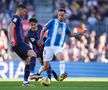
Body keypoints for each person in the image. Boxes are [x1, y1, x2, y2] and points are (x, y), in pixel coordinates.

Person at [37, 8, 86, 81]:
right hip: (48, 46)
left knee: (61, 57)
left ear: (65, 16)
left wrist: (80, 33)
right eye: (59, 15)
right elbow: (43, 29)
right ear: (57, 15)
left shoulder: (65, 26)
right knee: (45, 66)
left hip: (57, 46)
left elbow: (70, 34)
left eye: (62, 15)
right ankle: (38, 73)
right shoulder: (53, 21)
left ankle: (62, 74)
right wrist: (40, 39)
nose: (60, 16)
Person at [8, 4, 41, 87]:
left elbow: (10, 28)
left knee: (28, 62)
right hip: (19, 43)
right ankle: (32, 74)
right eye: (24, 11)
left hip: (17, 44)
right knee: (33, 54)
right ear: (19, 9)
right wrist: (12, 39)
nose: (25, 13)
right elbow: (11, 27)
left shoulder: (18, 19)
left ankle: (25, 82)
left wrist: (11, 42)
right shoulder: (16, 18)